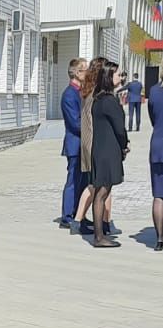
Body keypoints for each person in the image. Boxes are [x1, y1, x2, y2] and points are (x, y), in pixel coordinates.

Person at [89, 61, 128, 248]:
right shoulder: (109, 101)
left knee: (101, 191)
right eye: (118, 74)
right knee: (102, 193)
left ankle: (99, 233)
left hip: (100, 149)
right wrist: (124, 146)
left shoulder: (98, 99)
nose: (120, 78)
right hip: (108, 150)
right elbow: (120, 128)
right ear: (108, 77)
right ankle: (98, 237)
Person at [74, 57, 105, 235]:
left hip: (88, 140)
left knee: (95, 183)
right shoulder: (94, 92)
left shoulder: (87, 89)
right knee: (95, 184)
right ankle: (78, 220)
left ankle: (84, 220)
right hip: (93, 141)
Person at [59, 57, 87, 229]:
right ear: (77, 73)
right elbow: (75, 123)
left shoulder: (80, 91)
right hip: (75, 144)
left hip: (83, 144)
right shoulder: (69, 94)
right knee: (73, 181)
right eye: (85, 70)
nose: (88, 73)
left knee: (82, 181)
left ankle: (79, 214)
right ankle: (67, 216)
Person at [148, 74, 163, 250]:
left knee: (159, 195)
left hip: (158, 144)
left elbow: (152, 118)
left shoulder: (153, 92)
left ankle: (160, 239)